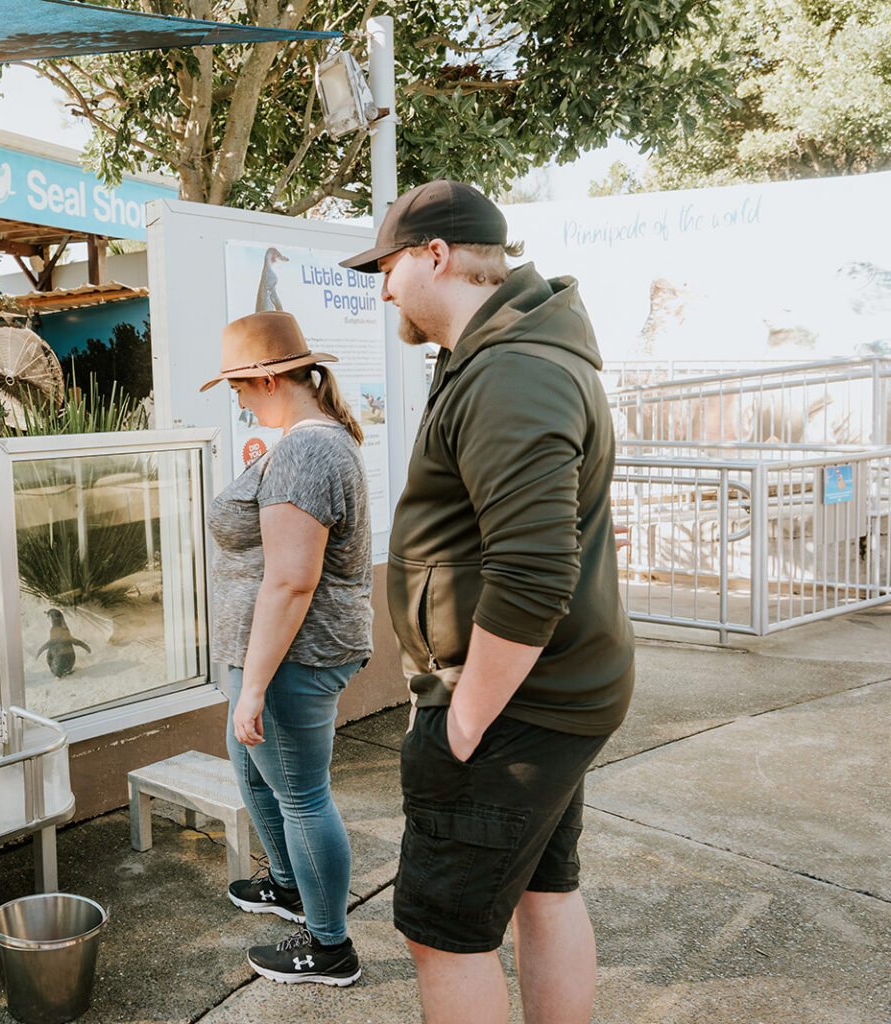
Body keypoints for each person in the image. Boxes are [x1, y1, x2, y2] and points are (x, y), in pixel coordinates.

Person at [342, 180, 634, 1023]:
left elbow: (533, 574)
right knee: (544, 891)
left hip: (511, 708)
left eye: (387, 268)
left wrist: (462, 721)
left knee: (446, 932)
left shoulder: (510, 372)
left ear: (434, 257)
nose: (384, 287)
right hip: (547, 694)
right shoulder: (508, 354)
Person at [201, 310, 373, 987]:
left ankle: (329, 945)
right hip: (281, 656)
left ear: (270, 378)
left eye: (240, 388)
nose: (238, 401)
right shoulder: (313, 441)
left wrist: (252, 687)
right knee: (257, 771)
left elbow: (291, 581)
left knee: (302, 794)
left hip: (292, 659)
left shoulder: (306, 451)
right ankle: (287, 883)